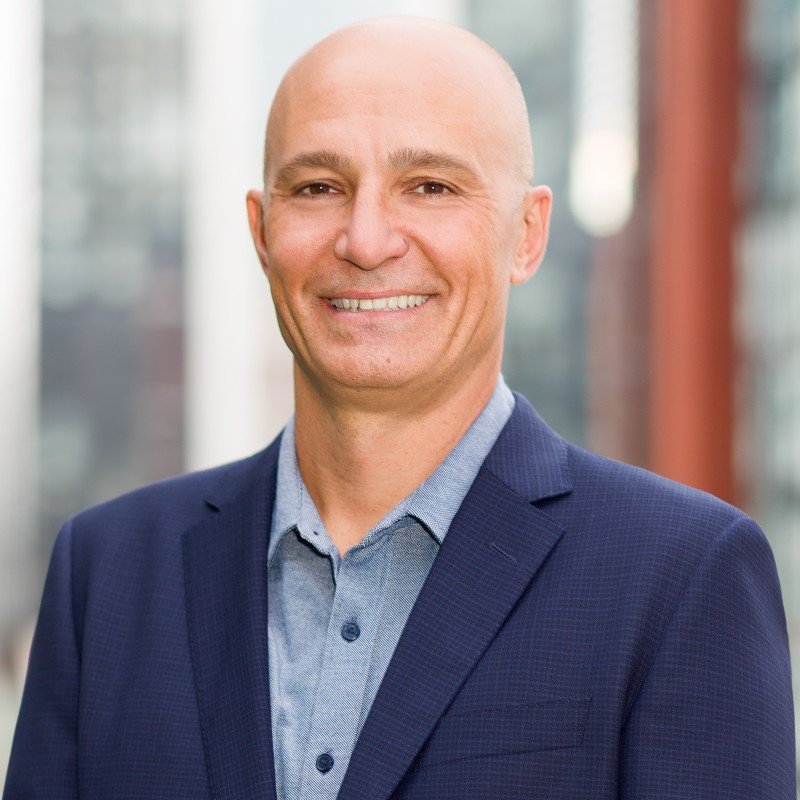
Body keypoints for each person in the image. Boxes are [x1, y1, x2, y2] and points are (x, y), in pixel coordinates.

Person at [4, 16, 795, 800]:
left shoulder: (682, 577)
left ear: (526, 234)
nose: (368, 238)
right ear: (261, 228)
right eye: (319, 186)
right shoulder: (103, 575)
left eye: (431, 187)